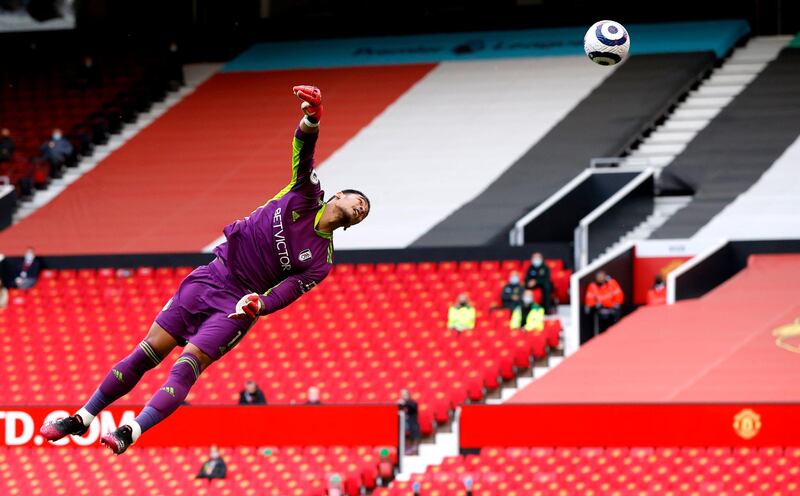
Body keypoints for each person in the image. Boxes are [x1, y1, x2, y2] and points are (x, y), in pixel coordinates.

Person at [40, 86, 371, 454]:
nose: (360, 209)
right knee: (147, 351)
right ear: (338, 194)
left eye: (363, 212)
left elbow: (287, 292)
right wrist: (313, 115)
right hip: (210, 275)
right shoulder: (305, 193)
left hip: (236, 304)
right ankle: (81, 418)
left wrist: (258, 305)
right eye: (358, 201)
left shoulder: (321, 260)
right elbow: (303, 149)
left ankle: (131, 430)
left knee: (187, 364)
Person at [584, 270, 624, 335]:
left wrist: (615, 306)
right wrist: (596, 305)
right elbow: (589, 301)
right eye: (598, 277)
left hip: (613, 309)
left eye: (601, 277)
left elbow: (619, 296)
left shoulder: (612, 283)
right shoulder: (592, 286)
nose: (600, 278)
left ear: (605, 277)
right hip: (600, 310)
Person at [398, 389, 420, 455]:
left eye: (405, 395)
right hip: (402, 424)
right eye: (402, 395)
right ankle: (401, 447)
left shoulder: (413, 403)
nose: (404, 396)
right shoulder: (400, 404)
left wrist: (405, 402)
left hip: (411, 424)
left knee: (414, 428)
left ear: (409, 395)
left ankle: (413, 448)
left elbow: (412, 407)